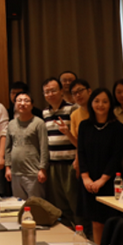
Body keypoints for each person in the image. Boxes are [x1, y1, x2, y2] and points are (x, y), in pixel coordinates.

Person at [77, 88, 123, 244]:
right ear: (91, 103)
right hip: (89, 179)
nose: (101, 105)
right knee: (95, 221)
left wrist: (103, 180)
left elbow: (116, 156)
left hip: (111, 180)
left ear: (110, 104)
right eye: (97, 101)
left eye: (105, 101)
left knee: (111, 220)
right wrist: (85, 177)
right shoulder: (84, 126)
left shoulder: (117, 127)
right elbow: (81, 151)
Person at [41, 77, 78, 228]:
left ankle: (84, 235)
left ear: (61, 91)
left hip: (71, 163)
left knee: (74, 201)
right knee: (60, 204)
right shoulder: (44, 113)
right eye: (46, 92)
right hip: (53, 164)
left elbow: (79, 138)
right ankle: (69, 233)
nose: (50, 94)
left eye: (53, 90)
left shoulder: (72, 109)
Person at [5, 92, 48, 200]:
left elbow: (44, 147)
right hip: (15, 172)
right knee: (19, 205)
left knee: (36, 204)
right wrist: (7, 168)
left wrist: (42, 169)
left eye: (26, 101)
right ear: (15, 104)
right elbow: (8, 148)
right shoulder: (11, 124)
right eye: (19, 100)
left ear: (32, 105)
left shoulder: (39, 123)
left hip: (33, 172)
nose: (22, 103)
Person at [66, 79, 90, 177]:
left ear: (89, 91)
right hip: (84, 158)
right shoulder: (74, 115)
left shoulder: (99, 110)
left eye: (80, 91)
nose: (78, 95)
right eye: (74, 93)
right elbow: (78, 144)